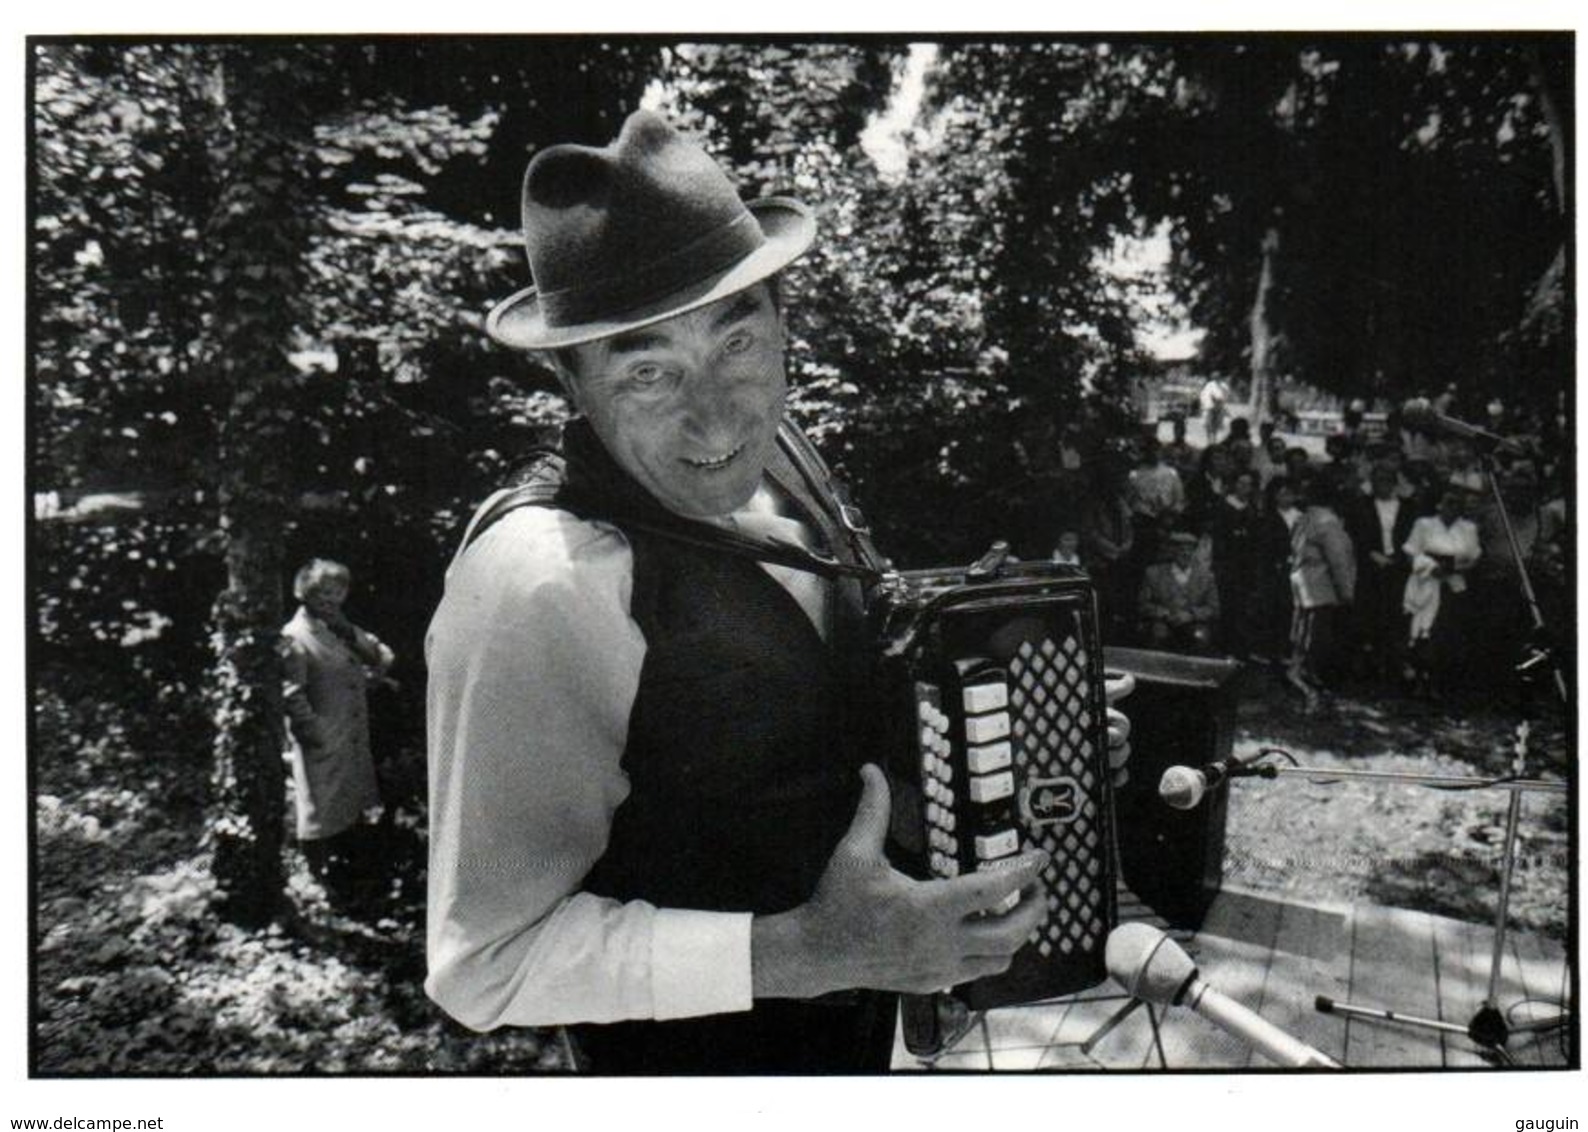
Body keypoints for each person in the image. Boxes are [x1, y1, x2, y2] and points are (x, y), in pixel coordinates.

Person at [423, 111, 1131, 1074]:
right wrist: (808, 953)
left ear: (782, 322)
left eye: (735, 342)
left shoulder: (784, 459)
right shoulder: (540, 586)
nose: (713, 413)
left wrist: (1007, 726)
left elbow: (796, 727)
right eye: (646, 371)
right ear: (571, 384)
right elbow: (483, 966)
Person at [280, 558, 395, 907]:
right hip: (323, 736)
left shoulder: (338, 628)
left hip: (351, 732)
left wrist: (348, 631)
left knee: (349, 804)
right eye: (322, 593)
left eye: (337, 591)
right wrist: (315, 734)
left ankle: (348, 881)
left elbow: (382, 657)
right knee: (320, 808)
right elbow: (291, 693)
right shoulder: (296, 636)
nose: (331, 599)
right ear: (305, 594)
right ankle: (318, 884)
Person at [1402, 486, 1482, 698]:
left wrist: (1452, 569)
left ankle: (1439, 683)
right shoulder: (1424, 524)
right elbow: (1411, 553)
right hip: (1426, 582)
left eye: (1457, 503)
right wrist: (1430, 567)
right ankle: (1419, 681)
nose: (1452, 507)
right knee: (1422, 633)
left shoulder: (1468, 528)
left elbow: (1474, 559)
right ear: (1439, 504)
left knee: (1446, 634)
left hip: (1453, 586)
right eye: (1448, 502)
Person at [1285, 473, 1356, 708]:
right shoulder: (1328, 523)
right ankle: (1305, 689)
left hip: (1302, 583)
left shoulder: (1304, 519)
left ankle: (1300, 679)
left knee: (1302, 635)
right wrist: (1346, 591)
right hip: (1320, 587)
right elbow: (1339, 561)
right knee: (1314, 639)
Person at [1344, 464, 1416, 682]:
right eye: (1376, 481)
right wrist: (1370, 554)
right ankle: (1368, 666)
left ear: (1394, 483)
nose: (1381, 486)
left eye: (1386, 481)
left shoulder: (1409, 507)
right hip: (1370, 568)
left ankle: (1395, 664)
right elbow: (1352, 535)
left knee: (1397, 616)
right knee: (1369, 616)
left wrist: (1401, 558)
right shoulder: (1360, 506)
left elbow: (1416, 536)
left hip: (1400, 567)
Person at [1136, 529, 1219, 652]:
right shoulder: (1153, 573)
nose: (1186, 553)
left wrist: (1191, 615)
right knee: (1158, 633)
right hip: (1162, 622)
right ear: (1172, 551)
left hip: (1193, 622)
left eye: (1190, 549)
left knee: (1201, 636)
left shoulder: (1206, 577)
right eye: (1181, 549)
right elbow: (1142, 604)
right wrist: (1164, 613)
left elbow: (1214, 608)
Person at [1198, 376, 1230, 444]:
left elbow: (1226, 395)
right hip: (1210, 406)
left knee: (1217, 423)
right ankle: (1209, 439)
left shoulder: (1224, 385)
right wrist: (1206, 403)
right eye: (1215, 378)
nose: (1217, 379)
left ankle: (1214, 438)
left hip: (1219, 406)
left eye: (1218, 377)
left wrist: (1221, 400)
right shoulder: (1209, 385)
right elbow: (1204, 395)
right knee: (1208, 423)